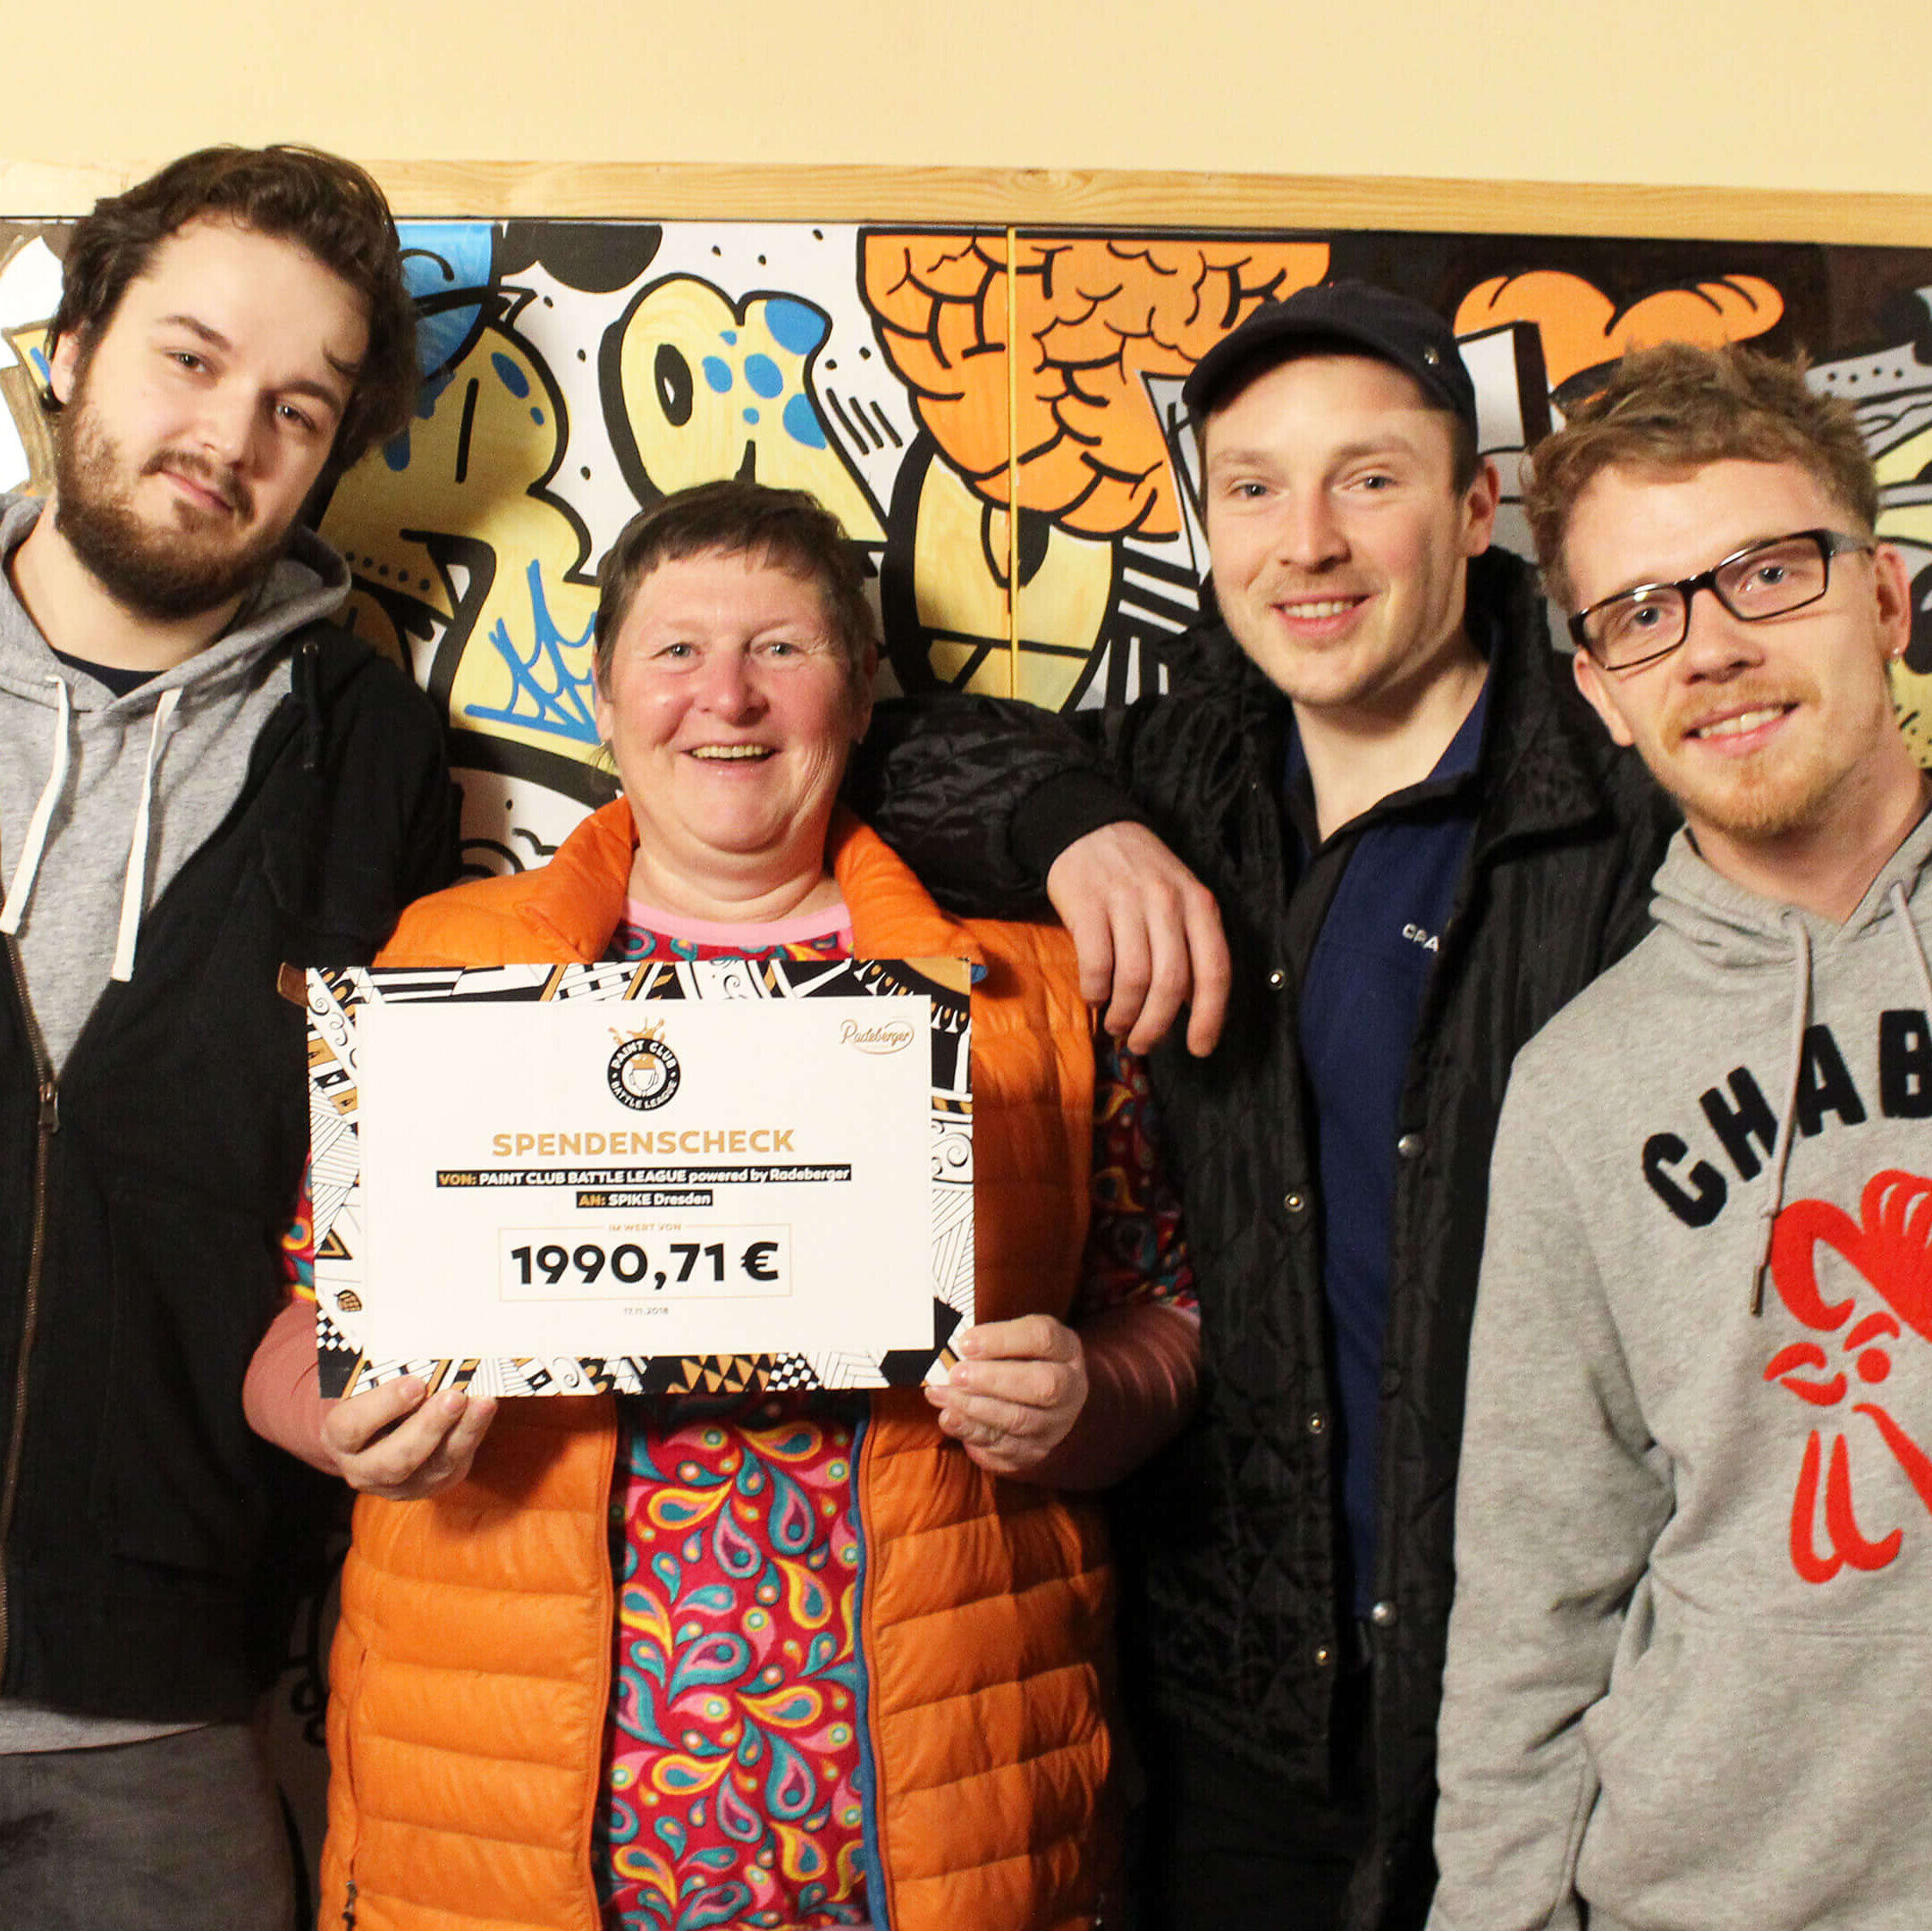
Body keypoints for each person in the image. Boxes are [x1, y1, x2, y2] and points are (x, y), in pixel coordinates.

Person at [244, 478, 1202, 1931]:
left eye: (782, 649)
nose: (728, 697)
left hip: (933, 1834)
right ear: (605, 695)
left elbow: (1163, 1317)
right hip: (500, 1829)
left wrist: (1085, 1399)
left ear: (859, 693)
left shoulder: (1032, 986)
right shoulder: (443, 965)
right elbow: (302, 1324)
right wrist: (341, 1422)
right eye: (677, 650)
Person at [851, 279, 1680, 1929]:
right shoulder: (1175, 772)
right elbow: (887, 759)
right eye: (1252, 487)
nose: (1306, 542)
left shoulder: (1626, 794)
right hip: (1240, 1730)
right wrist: (1079, 828)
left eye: (1367, 480)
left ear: (1474, 509)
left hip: (1568, 1718)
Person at [0, 146, 457, 1928]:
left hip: (162, 1713)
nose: (227, 436)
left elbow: (366, 1188)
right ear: (71, 348)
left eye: (296, 408)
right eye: (187, 358)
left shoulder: (374, 750)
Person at [1430, 342, 1932, 1931]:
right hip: (1708, 1890)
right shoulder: (1578, 1087)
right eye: (1641, 612)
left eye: (1767, 573)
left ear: (1884, 599)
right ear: (1599, 687)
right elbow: (1534, 1596)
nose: (1709, 646)